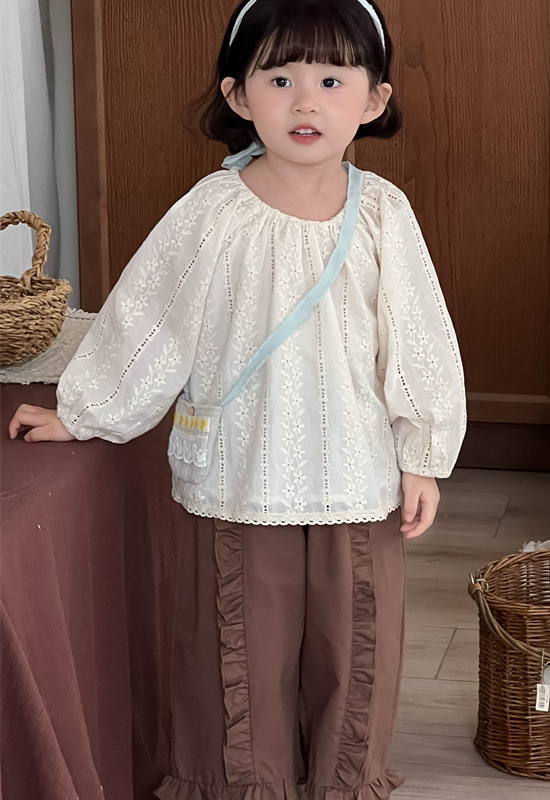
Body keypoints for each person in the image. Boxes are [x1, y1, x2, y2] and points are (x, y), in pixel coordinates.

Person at [9, 0, 466, 797]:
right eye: (279, 78)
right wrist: (84, 412)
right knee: (240, 654)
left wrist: (421, 455)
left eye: (332, 80)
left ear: (375, 100)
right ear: (237, 94)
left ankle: (342, 784)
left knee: (353, 644)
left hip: (356, 481)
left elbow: (419, 339)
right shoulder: (210, 211)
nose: (305, 101)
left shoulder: (383, 214)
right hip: (240, 480)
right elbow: (148, 319)